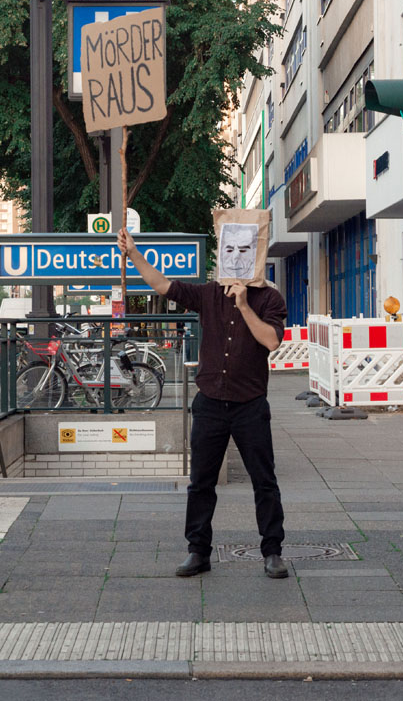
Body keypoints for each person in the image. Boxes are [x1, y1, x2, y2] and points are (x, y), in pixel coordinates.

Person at [117, 228, 290, 579]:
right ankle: (198, 551)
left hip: (250, 404)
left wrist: (243, 304)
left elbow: (271, 341)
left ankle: (272, 551)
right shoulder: (209, 293)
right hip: (210, 402)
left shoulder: (269, 298)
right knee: (200, 482)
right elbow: (164, 286)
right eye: (230, 249)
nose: (237, 256)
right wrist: (133, 253)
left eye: (244, 249)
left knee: (264, 480)